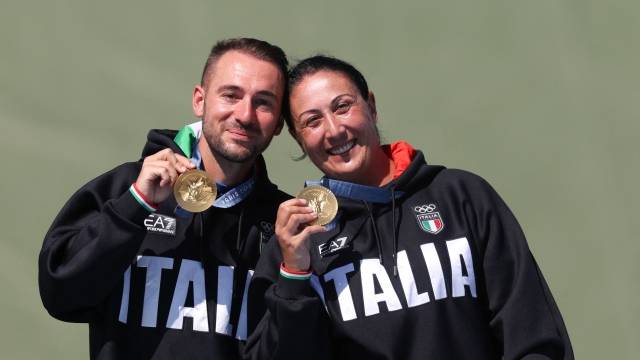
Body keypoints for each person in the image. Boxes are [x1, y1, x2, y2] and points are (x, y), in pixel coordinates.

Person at [244, 56, 574, 360]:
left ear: (371, 107)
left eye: (343, 107)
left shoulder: (462, 197)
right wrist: (294, 278)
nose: (333, 130)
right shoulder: (297, 242)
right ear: (297, 138)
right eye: (312, 121)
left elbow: (533, 335)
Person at [38, 38, 292, 360]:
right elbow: (60, 293)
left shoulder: (285, 226)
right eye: (231, 95)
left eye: (264, 103)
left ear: (280, 122)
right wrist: (136, 205)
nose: (244, 114)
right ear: (200, 101)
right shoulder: (126, 188)